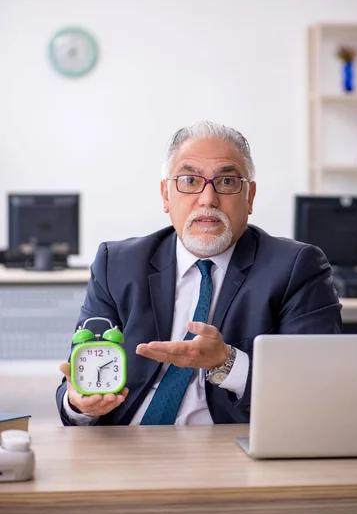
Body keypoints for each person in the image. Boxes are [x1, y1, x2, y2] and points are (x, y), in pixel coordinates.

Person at [56, 121, 342, 426]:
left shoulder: (297, 268)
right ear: (166, 194)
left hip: (230, 451)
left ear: (250, 196)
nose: (207, 199)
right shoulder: (117, 264)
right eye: (190, 181)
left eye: (227, 182)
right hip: (125, 445)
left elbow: (314, 388)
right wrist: (80, 404)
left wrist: (227, 362)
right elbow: (76, 384)